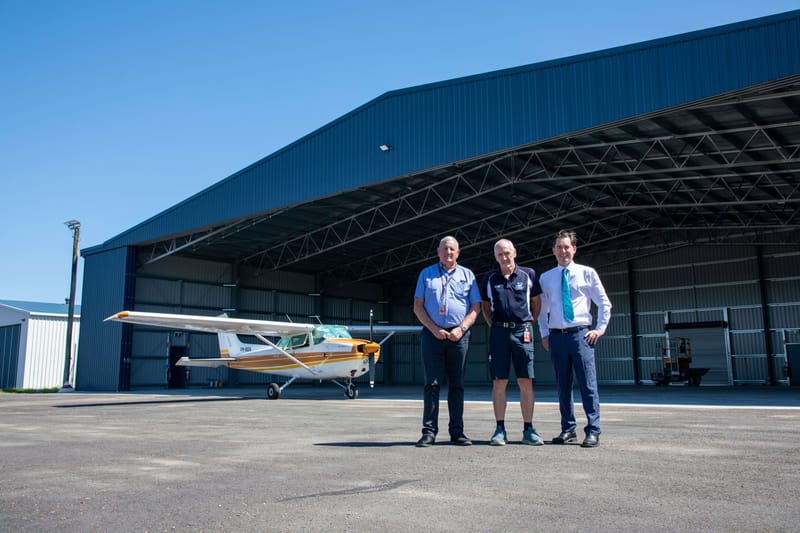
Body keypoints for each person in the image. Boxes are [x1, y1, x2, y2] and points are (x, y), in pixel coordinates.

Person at [537, 230, 612, 448]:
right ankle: (568, 429)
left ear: (574, 249)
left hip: (581, 336)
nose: (563, 251)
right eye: (559, 247)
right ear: (553, 251)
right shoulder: (546, 278)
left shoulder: (587, 273)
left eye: (566, 247)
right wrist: (544, 334)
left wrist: (599, 329)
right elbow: (541, 311)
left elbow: (604, 303)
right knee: (563, 386)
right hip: (557, 337)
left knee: (588, 385)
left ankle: (593, 430)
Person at [413, 236, 482, 447]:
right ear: (438, 252)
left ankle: (457, 432)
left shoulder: (468, 275)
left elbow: (475, 307)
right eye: (444, 249)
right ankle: (429, 432)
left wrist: (461, 329)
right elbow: (418, 306)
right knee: (431, 384)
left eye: (452, 249)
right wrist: (434, 329)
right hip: (433, 334)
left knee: (457, 385)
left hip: (458, 336)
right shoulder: (426, 274)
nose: (448, 252)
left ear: (458, 252)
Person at [480, 238, 543, 446]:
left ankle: (528, 429)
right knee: (499, 381)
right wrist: (494, 325)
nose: (504, 257)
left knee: (526, 380)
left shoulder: (528, 275)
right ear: (495, 257)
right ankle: (500, 429)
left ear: (514, 252)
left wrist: (530, 323)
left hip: (522, 331)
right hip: (499, 332)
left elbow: (536, 302)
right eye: (500, 254)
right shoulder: (489, 278)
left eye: (507, 253)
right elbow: (485, 306)